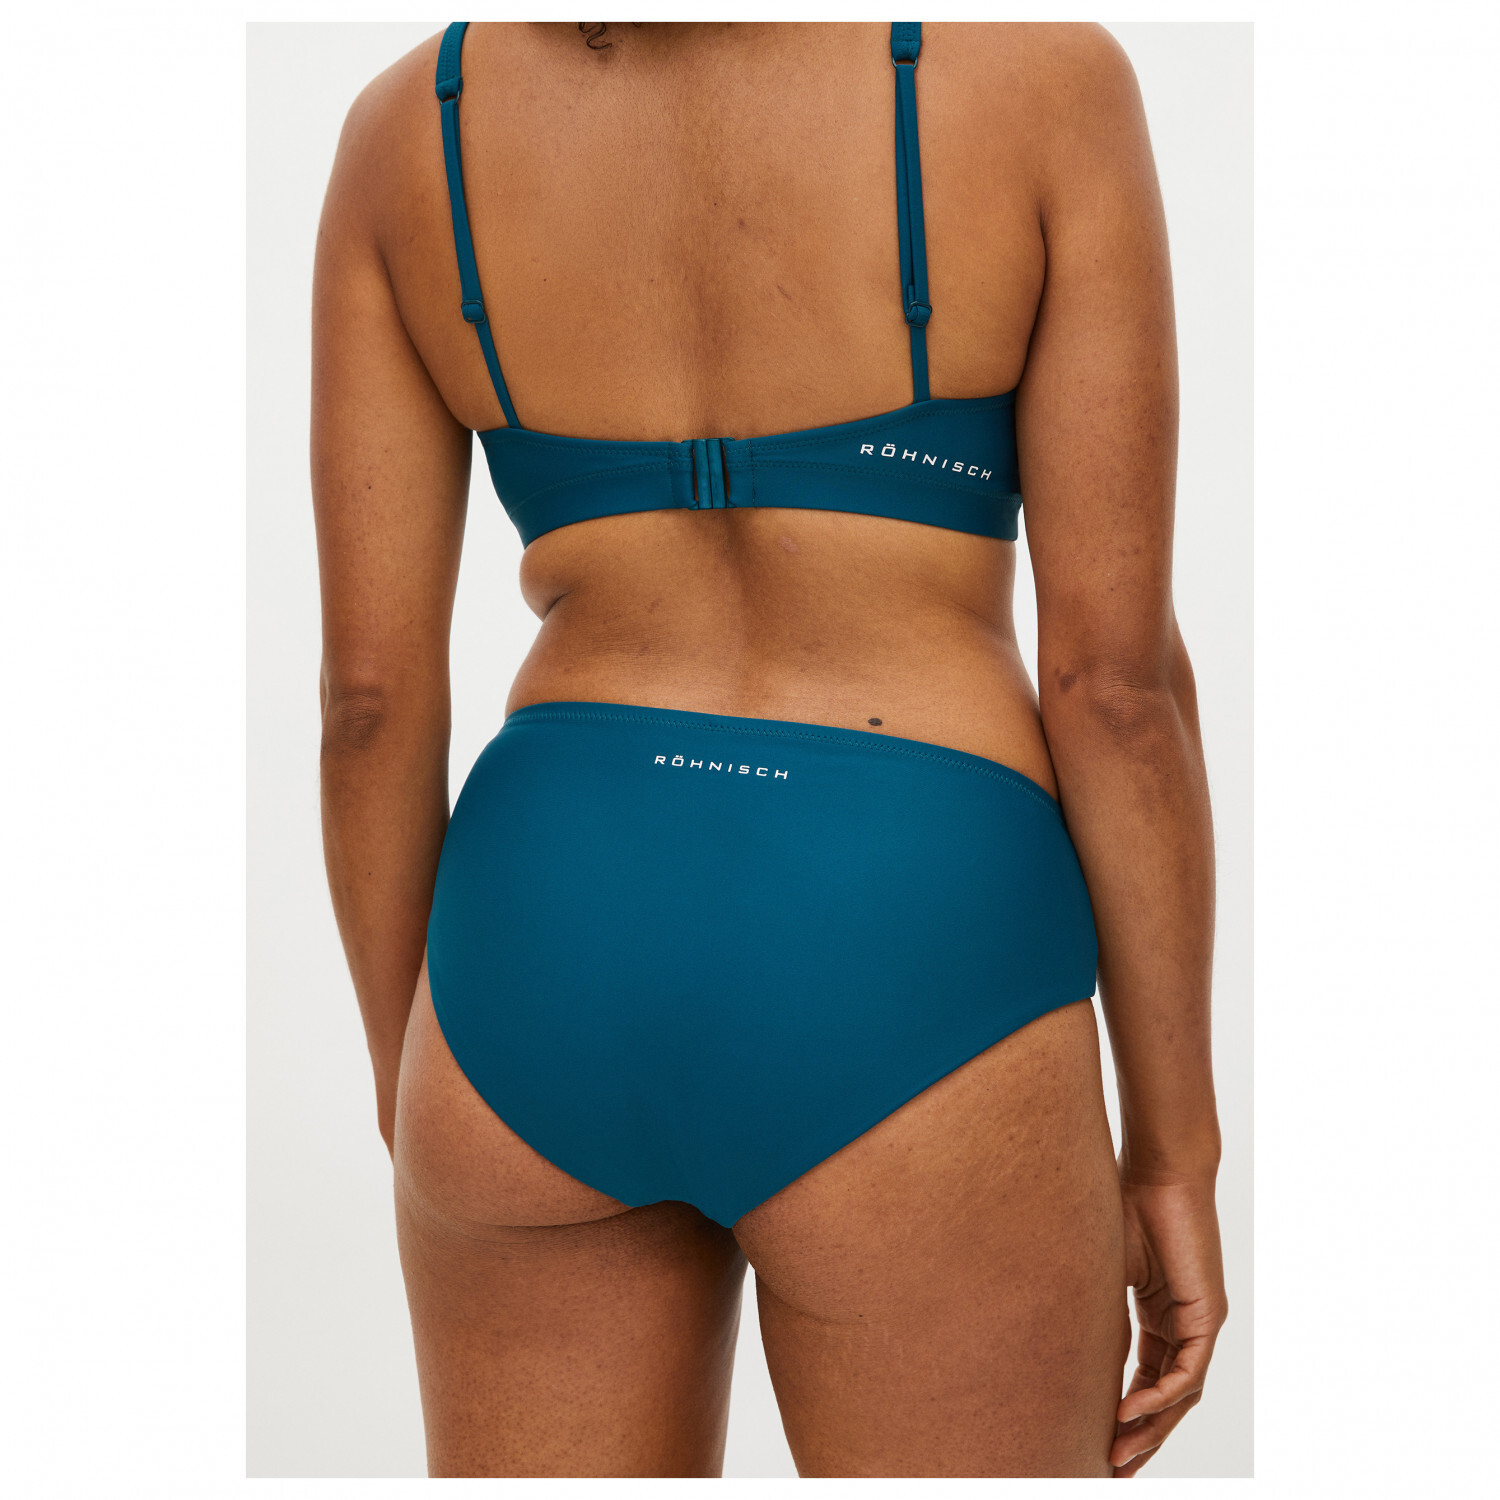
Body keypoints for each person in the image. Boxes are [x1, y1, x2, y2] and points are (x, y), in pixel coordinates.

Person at [312, 20, 1226, 1478]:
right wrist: (1175, 1149)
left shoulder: (408, 126)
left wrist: (420, 1076)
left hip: (543, 931)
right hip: (903, 918)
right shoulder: (1040, 83)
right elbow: (1114, 688)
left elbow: (368, 704)